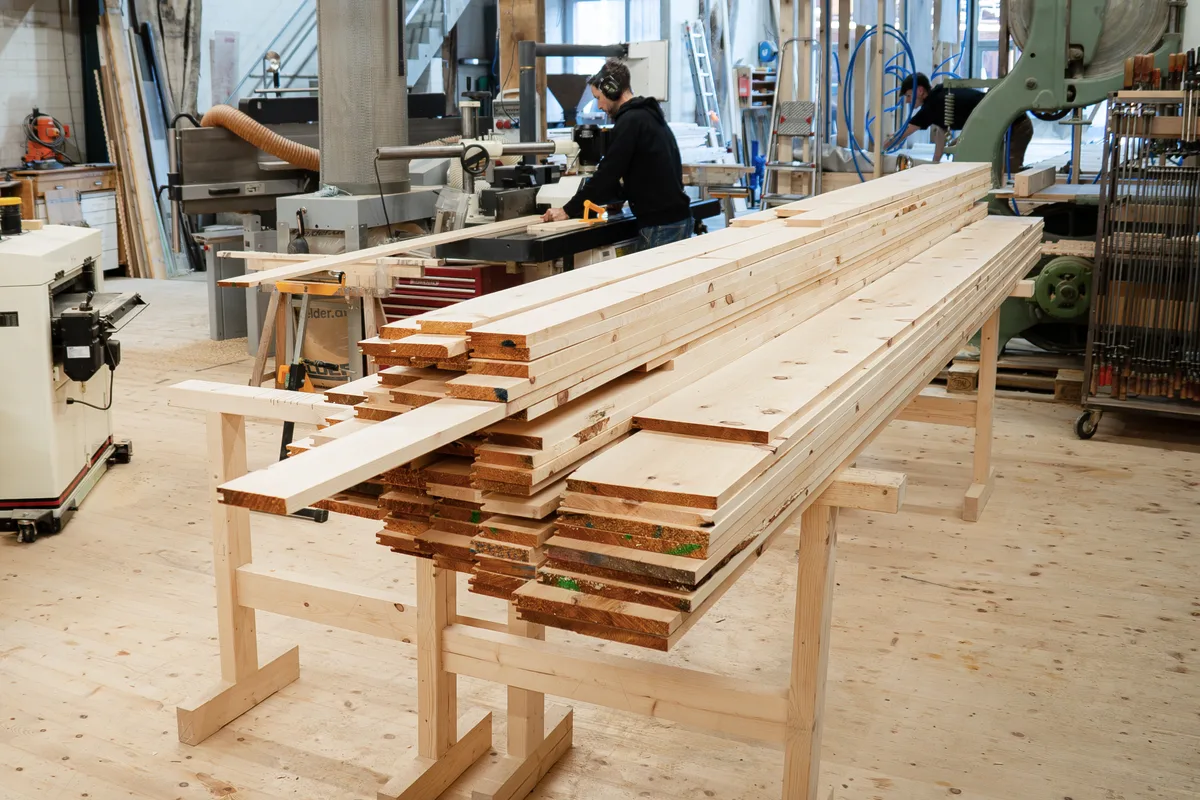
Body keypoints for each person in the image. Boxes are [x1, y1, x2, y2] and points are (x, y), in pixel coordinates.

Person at [541, 60, 693, 251]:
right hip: (673, 219)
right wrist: (618, 198)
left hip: (661, 226)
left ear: (611, 90)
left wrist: (567, 210)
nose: (599, 105)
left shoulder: (630, 120)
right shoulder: (646, 114)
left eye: (598, 97)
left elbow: (608, 173)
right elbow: (644, 170)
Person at [888, 72, 1033, 173]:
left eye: (908, 95)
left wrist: (885, 145)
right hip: (1005, 125)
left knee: (1009, 171)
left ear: (920, 91)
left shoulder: (933, 104)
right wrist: (935, 164)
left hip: (1017, 125)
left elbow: (906, 131)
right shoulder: (938, 97)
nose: (907, 101)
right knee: (999, 169)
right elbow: (940, 132)